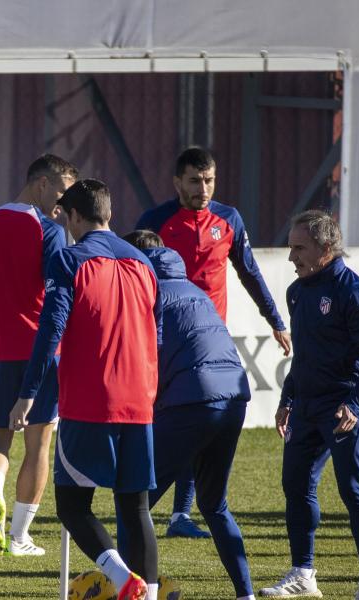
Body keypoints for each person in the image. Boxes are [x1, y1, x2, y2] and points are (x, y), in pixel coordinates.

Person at [11, 180, 159, 600]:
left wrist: (28, 393)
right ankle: (146, 594)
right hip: (140, 402)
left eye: (66, 217)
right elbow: (156, 330)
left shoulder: (69, 259)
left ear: (75, 216)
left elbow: (50, 328)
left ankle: (121, 579)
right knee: (135, 508)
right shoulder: (143, 262)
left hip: (92, 402)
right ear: (108, 213)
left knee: (73, 507)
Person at [135, 146, 291, 538]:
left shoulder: (229, 219)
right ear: (176, 182)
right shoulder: (155, 221)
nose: (203, 188)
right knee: (166, 421)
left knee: (191, 419)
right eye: (194, 180)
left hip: (207, 338)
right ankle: (145, 505)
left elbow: (249, 272)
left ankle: (179, 515)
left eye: (209, 180)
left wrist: (275, 319)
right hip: (162, 337)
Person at [261, 210, 359, 600]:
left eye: (299, 248)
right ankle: (304, 574)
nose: (291, 258)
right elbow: (305, 355)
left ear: (327, 247)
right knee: (295, 485)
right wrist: (288, 397)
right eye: (290, 248)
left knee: (354, 489)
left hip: (345, 408)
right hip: (307, 406)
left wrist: (355, 401)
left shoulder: (354, 292)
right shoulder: (298, 291)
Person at [121, 230, 255, 600]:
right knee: (215, 506)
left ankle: (129, 589)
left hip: (190, 401)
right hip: (233, 399)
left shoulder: (146, 292)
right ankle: (246, 595)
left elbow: (150, 357)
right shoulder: (195, 290)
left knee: (134, 503)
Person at [0, 154, 75, 557]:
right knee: (38, 446)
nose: (64, 202)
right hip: (42, 354)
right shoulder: (50, 230)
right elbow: (57, 300)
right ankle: (20, 536)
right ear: (41, 184)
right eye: (62, 191)